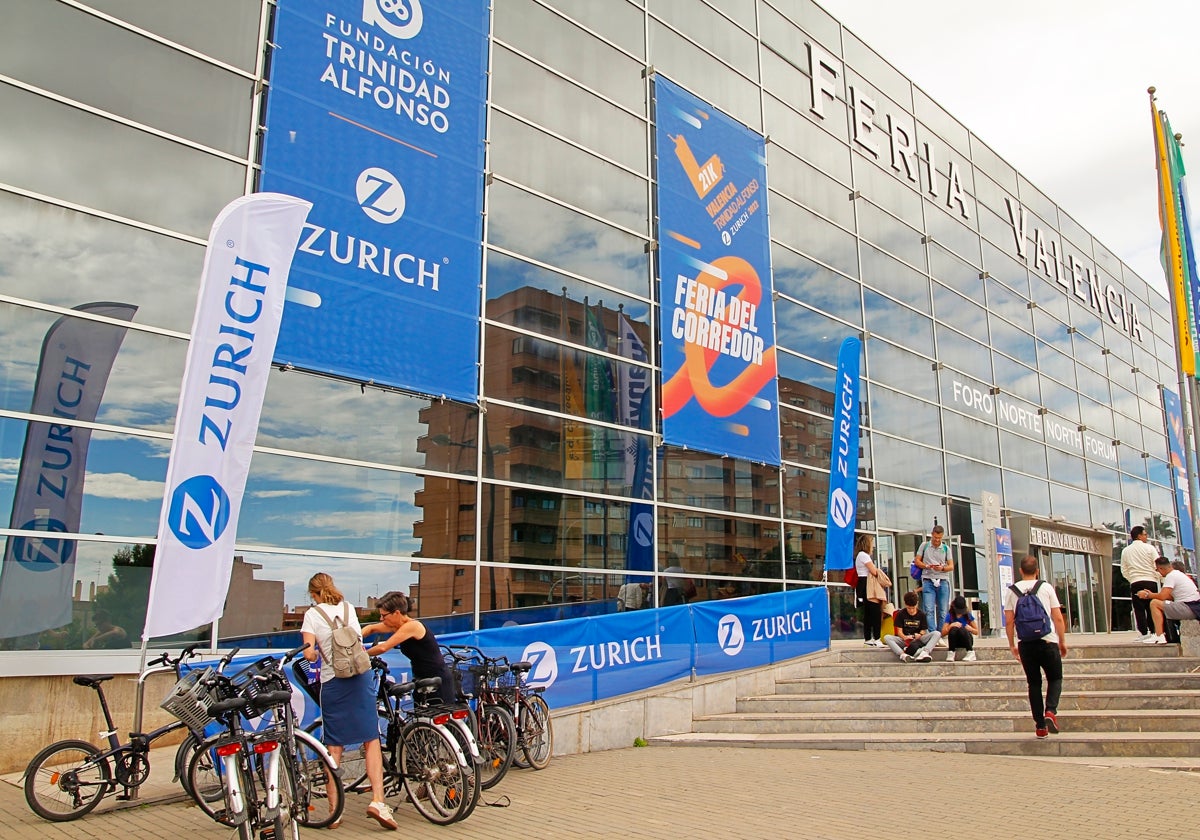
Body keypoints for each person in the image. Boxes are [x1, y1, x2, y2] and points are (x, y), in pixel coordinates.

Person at [301, 573, 395, 830]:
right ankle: (378, 801)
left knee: (334, 747)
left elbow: (309, 649)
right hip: (361, 678)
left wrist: (311, 653)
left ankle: (335, 812)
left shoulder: (312, 614)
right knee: (371, 739)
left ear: (313, 593)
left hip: (335, 682)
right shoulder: (348, 608)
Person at [1004, 555, 1068, 738]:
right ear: (1037, 571)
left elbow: (1009, 621)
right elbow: (1057, 617)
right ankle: (1050, 711)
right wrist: (1062, 641)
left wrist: (1012, 644)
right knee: (1055, 678)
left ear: (1021, 571)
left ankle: (1040, 726)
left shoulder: (1012, 591)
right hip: (1048, 641)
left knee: (1034, 683)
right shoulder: (1046, 587)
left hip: (1026, 644)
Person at [361, 591, 456, 705]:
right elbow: (371, 628)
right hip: (420, 678)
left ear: (396, 613)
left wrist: (360, 655)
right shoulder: (397, 626)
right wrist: (355, 639)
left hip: (437, 678)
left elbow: (383, 648)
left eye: (384, 615)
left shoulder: (412, 626)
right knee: (419, 719)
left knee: (437, 720)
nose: (381, 619)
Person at [1137, 556, 1200, 645]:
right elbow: (1169, 597)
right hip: (1193, 608)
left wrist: (1148, 595)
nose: (1158, 572)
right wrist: (1152, 594)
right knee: (1160, 603)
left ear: (1160, 568)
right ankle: (1162, 634)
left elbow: (1163, 596)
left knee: (1154, 603)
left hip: (1188, 607)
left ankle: (1159, 636)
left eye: (1157, 570)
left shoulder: (1171, 576)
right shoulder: (1178, 574)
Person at [1121, 525, 1161, 640]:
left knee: (1139, 609)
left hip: (1135, 581)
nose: (1146, 536)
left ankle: (1143, 632)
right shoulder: (1150, 548)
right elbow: (1156, 564)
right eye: (1145, 534)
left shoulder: (1126, 550)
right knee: (1151, 606)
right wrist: (1157, 576)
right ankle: (1153, 631)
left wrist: (1132, 578)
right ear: (1139, 536)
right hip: (1150, 581)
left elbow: (1124, 569)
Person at [914, 525, 953, 636]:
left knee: (943, 610)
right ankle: (932, 633)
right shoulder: (924, 545)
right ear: (932, 535)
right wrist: (926, 566)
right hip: (928, 579)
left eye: (939, 538)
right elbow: (917, 561)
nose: (937, 540)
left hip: (943, 579)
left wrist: (943, 568)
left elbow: (951, 566)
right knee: (929, 608)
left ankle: (939, 633)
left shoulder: (946, 548)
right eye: (935, 538)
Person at [884, 591, 939, 661]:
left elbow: (924, 629)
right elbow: (899, 632)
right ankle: (902, 655)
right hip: (904, 639)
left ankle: (925, 652)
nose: (911, 611)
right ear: (905, 605)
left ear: (917, 604)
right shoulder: (900, 614)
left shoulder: (921, 614)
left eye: (913, 608)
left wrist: (920, 635)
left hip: (918, 639)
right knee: (887, 637)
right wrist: (905, 637)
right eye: (909, 608)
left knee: (937, 633)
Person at [854, 533, 885, 647]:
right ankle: (876, 638)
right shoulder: (864, 556)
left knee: (868, 613)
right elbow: (874, 571)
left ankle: (868, 638)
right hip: (867, 584)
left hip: (863, 584)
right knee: (875, 612)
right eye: (871, 543)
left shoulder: (860, 555)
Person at [941, 595, 979, 662]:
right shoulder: (950, 615)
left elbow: (976, 631)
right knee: (954, 629)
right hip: (955, 641)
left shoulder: (968, 615)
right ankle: (951, 652)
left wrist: (970, 629)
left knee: (961, 629)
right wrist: (951, 626)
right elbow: (943, 633)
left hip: (966, 640)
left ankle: (970, 652)